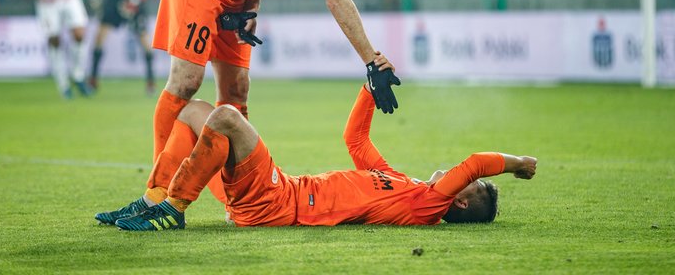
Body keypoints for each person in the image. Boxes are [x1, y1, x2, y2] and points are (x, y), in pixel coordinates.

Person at [147, 0, 414, 204]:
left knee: (236, 91)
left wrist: (250, 7)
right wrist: (371, 61)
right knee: (186, 80)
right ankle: (156, 193)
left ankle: (240, 198)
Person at [94, 55, 538, 231]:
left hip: (277, 202)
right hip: (275, 193)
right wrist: (371, 87)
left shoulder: (426, 207)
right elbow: (355, 139)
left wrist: (518, 163)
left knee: (225, 116)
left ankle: (171, 212)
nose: (462, 179)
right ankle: (154, 197)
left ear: (458, 204)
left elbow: (478, 161)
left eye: (470, 188)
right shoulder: (403, 185)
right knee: (193, 112)